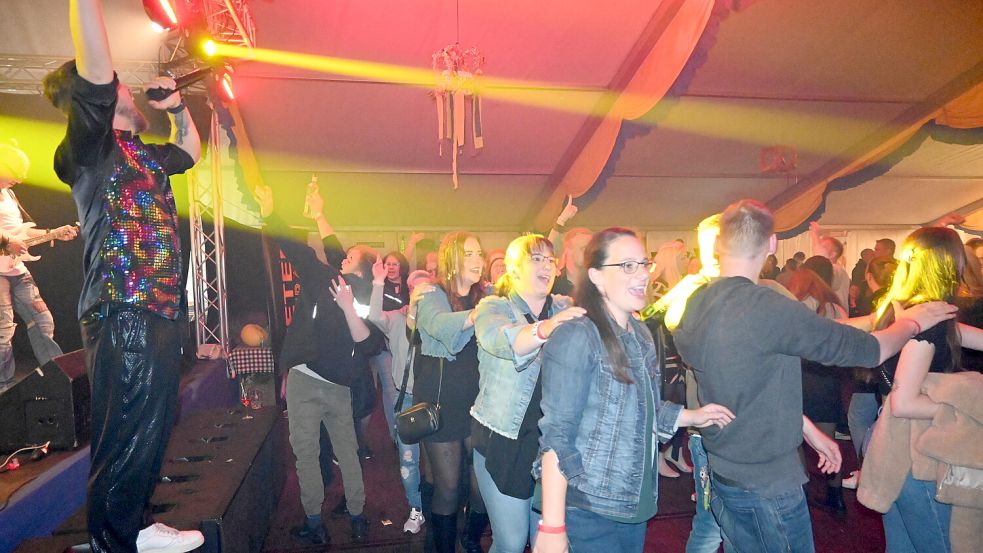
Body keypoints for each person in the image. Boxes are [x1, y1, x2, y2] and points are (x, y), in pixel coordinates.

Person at [670, 200, 957, 553]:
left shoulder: (697, 301)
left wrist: (806, 428)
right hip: (767, 483)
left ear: (718, 245)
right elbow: (869, 350)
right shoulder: (766, 306)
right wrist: (913, 322)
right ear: (772, 244)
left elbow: (748, 381)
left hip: (724, 470)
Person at [44, 1, 203, 551]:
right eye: (121, 90)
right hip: (122, 304)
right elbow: (95, 67)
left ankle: (127, 528)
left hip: (156, 306)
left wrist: (179, 107)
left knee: (152, 424)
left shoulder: (145, 154)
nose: (131, 93)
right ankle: (115, 540)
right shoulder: (90, 149)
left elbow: (189, 151)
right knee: (129, 426)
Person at [533, 228, 735, 553]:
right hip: (590, 502)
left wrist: (693, 415)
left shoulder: (639, 333)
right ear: (596, 276)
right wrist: (552, 526)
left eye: (643, 263)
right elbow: (557, 436)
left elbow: (645, 410)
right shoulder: (577, 336)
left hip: (633, 499)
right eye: (627, 265)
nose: (642, 274)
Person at [254, 182, 382, 546]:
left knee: (306, 454)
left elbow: (297, 250)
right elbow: (335, 250)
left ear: (355, 264)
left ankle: (314, 522)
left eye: (350, 253)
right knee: (348, 451)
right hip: (342, 384)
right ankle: (357, 517)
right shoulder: (363, 292)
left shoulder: (328, 280)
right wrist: (321, 214)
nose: (343, 253)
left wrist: (270, 213)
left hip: (308, 379)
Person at [861, 227, 982, 552]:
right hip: (915, 453)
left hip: (896, 443)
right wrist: (959, 408)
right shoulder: (928, 321)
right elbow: (904, 402)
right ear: (951, 264)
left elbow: (965, 335)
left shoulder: (907, 311)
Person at [471, 234, 584, 553]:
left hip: (551, 443)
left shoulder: (564, 305)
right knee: (510, 541)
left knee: (550, 542)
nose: (546, 265)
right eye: (536, 258)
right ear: (513, 268)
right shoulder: (493, 306)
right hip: (505, 441)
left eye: (550, 259)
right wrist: (546, 328)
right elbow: (502, 340)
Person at [414, 231, 488, 553]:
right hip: (441, 401)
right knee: (448, 487)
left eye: (479, 253)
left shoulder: (486, 297)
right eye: (468, 253)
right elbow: (439, 326)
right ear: (451, 258)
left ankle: (470, 539)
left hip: (479, 404)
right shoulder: (432, 293)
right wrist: (477, 316)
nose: (477, 260)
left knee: (481, 486)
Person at [0, 142, 78, 391]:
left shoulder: (9, 194)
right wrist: (7, 241)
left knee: (42, 320)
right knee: (3, 332)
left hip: (16, 270)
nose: (20, 180)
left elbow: (21, 233)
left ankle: (60, 383)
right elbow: (10, 239)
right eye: (16, 173)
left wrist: (53, 233)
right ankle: (5, 390)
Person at [368, 262, 433, 534]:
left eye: (427, 287)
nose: (422, 292)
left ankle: (441, 507)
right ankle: (416, 508)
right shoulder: (396, 318)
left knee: (441, 461)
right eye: (416, 288)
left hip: (436, 400)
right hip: (407, 400)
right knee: (409, 460)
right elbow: (373, 315)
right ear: (409, 291)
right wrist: (378, 282)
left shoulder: (440, 320)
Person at [788, 257, 849, 517]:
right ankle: (836, 498)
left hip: (802, 376)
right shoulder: (836, 305)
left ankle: (801, 497)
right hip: (829, 379)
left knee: (798, 441)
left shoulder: (797, 303)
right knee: (828, 439)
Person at [550, 227, 591, 296]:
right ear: (568, 251)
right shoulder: (552, 285)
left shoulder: (598, 283)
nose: (589, 253)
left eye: (591, 249)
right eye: (583, 248)